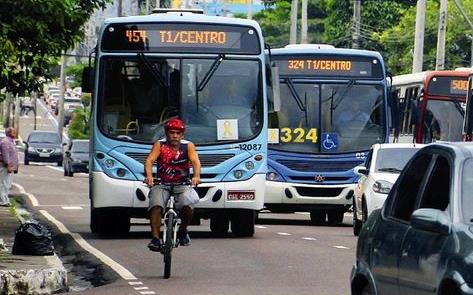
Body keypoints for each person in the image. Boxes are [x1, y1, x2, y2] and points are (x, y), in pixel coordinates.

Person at [144, 118, 201, 251]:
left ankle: (183, 230)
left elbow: (195, 161)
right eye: (171, 132)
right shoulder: (160, 145)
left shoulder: (188, 146)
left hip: (182, 184)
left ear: (182, 135)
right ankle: (155, 239)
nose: (174, 136)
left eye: (178, 133)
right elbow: (149, 160)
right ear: (166, 133)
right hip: (162, 183)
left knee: (187, 206)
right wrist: (149, 177)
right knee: (156, 206)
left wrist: (196, 176)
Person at [0, 127, 19, 206]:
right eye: (13, 132)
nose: (15, 133)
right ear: (9, 133)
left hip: (10, 166)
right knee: (3, 183)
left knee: (7, 184)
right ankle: (3, 201)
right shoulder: (6, 142)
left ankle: (6, 200)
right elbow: (5, 155)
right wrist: (8, 164)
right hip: (6, 166)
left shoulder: (10, 142)